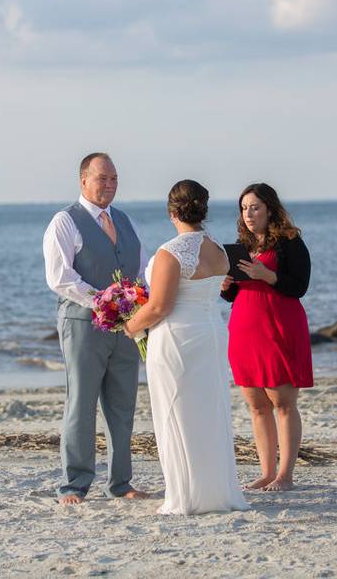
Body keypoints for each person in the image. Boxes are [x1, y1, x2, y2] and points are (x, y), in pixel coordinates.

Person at [123, 180, 249, 515]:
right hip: (210, 335)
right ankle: (217, 492)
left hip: (177, 339)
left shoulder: (171, 252)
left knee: (176, 414)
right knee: (209, 412)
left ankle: (186, 496)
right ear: (202, 209)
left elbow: (160, 306)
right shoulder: (219, 251)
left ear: (171, 211)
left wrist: (130, 325)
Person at [42, 153, 150, 505]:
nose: (109, 185)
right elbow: (61, 277)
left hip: (126, 327)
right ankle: (74, 484)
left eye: (114, 178)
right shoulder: (65, 222)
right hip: (82, 325)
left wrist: (143, 302)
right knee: (82, 403)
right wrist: (104, 300)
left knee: (122, 404)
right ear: (83, 180)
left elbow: (143, 268)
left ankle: (120, 482)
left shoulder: (125, 220)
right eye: (102, 178)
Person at [221, 182, 312, 492]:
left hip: (279, 327)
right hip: (245, 330)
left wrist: (268, 275)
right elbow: (234, 294)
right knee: (257, 405)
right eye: (244, 208)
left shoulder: (290, 242)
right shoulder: (241, 246)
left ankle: (285, 475)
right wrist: (226, 286)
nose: (249, 214)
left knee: (283, 403)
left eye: (255, 207)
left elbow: (299, 285)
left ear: (270, 209)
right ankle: (266, 472)